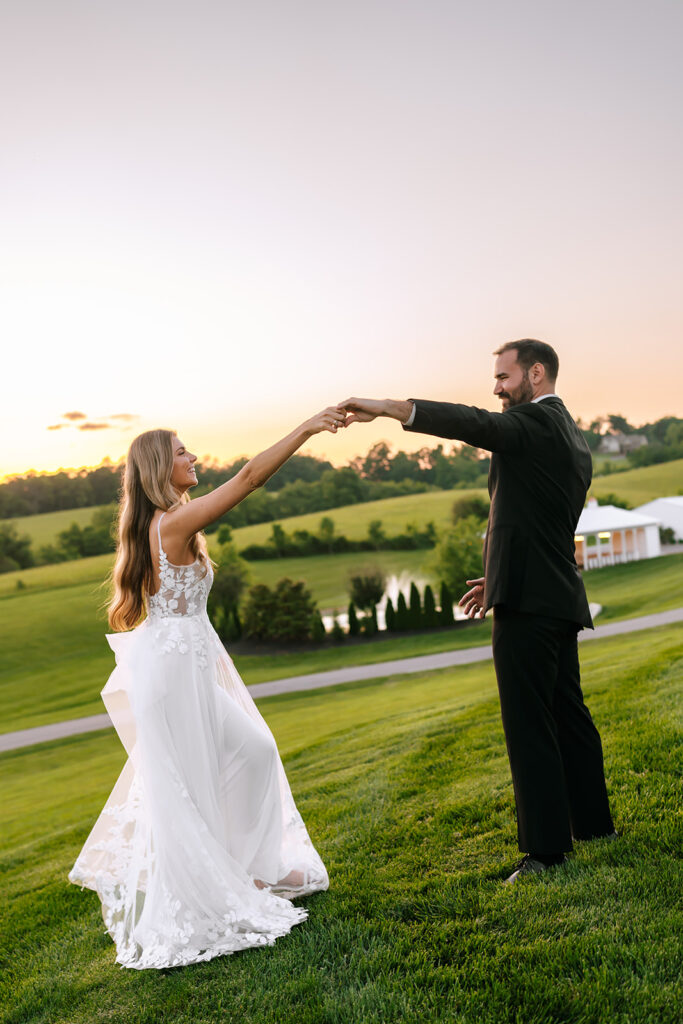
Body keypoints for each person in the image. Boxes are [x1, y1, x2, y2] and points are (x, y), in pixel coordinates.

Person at [69, 407, 345, 968]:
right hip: (171, 675)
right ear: (157, 469)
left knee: (254, 751)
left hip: (185, 662)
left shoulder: (173, 521)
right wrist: (306, 429)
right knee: (189, 787)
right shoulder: (172, 524)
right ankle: (216, 895)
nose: (192, 457)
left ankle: (251, 868)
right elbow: (247, 479)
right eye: (181, 451)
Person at [339, 339, 615, 883]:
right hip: (553, 593)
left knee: (528, 722)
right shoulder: (569, 434)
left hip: (531, 604)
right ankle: (594, 824)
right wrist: (502, 571)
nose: (495, 388)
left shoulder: (534, 425)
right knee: (569, 715)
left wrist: (391, 408)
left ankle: (546, 853)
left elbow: (472, 423)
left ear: (536, 374)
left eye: (504, 377)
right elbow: (541, 519)